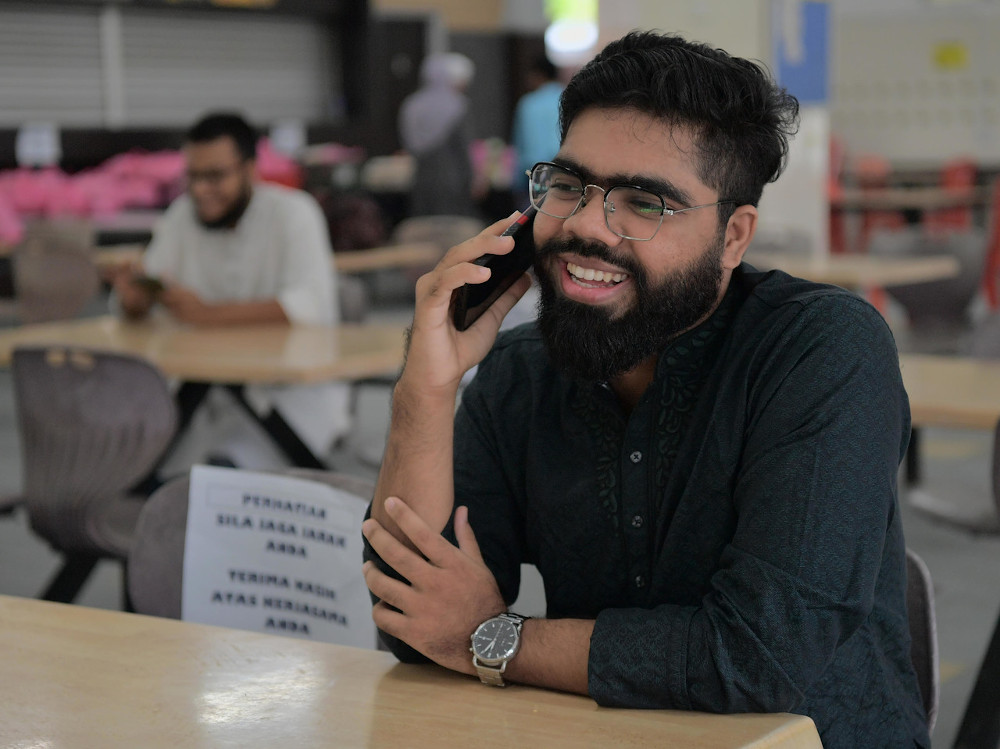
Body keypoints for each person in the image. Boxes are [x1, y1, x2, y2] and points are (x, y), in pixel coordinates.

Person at [360, 31, 929, 748]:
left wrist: (492, 636)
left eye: (645, 202)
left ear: (733, 235)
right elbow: (417, 627)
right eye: (569, 186)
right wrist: (427, 385)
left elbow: (756, 657)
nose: (588, 226)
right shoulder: (518, 371)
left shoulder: (822, 351)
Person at [112, 111, 349, 470]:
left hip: (288, 397)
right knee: (134, 467)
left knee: (232, 478)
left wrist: (205, 316)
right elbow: (148, 286)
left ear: (251, 169)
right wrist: (135, 300)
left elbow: (307, 305)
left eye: (215, 176)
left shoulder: (294, 213)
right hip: (200, 399)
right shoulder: (181, 216)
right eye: (192, 176)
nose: (200, 190)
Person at [398, 52, 479, 218]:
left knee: (424, 230)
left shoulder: (411, 105)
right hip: (453, 180)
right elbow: (463, 149)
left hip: (420, 179)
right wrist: (474, 178)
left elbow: (408, 143)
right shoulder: (457, 106)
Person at [511, 55, 564, 208]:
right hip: (565, 170)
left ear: (537, 75)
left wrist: (516, 182)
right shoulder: (568, 98)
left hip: (536, 172)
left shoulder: (529, 103)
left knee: (533, 217)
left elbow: (521, 143)